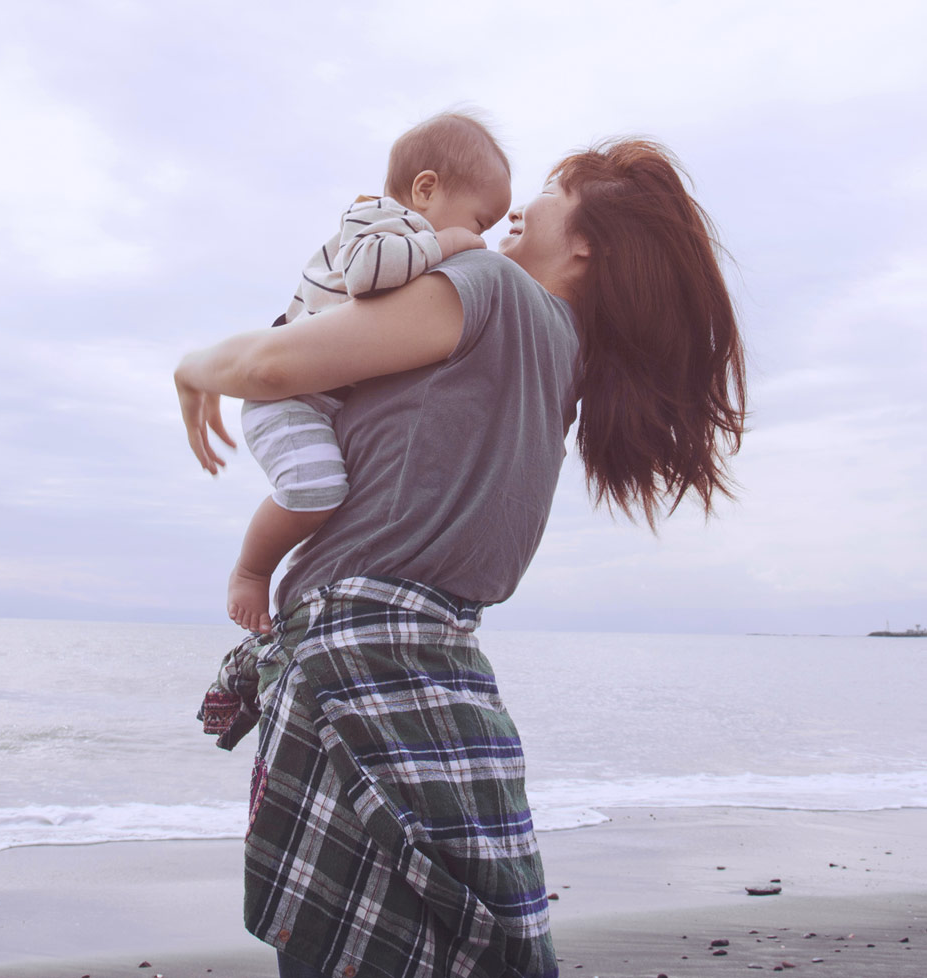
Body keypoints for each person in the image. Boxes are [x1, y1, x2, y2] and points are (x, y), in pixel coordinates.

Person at [175, 138, 746, 978]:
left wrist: (192, 369)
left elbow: (270, 363)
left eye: (552, 190)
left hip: (357, 669)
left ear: (587, 245)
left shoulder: (493, 289)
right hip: (447, 679)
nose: (521, 208)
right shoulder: (567, 373)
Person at [229, 112, 512, 632]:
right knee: (316, 493)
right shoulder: (375, 217)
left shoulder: (409, 240)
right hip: (290, 398)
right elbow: (367, 275)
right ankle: (251, 571)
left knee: (343, 496)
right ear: (425, 189)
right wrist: (449, 244)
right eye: (480, 222)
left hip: (324, 399)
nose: (482, 240)